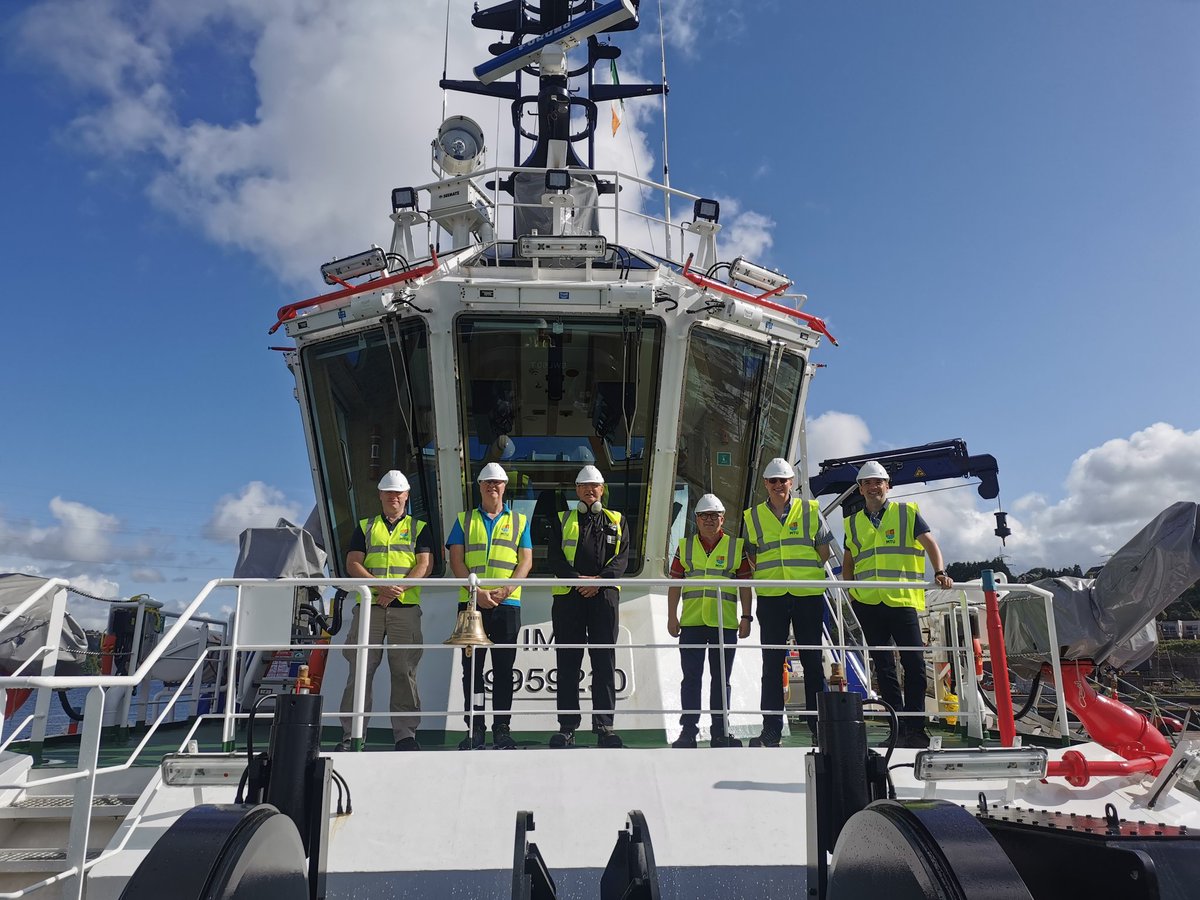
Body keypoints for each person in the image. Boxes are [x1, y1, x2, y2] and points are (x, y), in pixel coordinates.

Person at [842, 460, 953, 749]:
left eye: (878, 482)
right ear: (860, 488)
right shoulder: (852, 522)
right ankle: (898, 727)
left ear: (887, 486)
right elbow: (849, 560)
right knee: (884, 667)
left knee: (915, 664)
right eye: (867, 483)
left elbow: (930, 544)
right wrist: (852, 591)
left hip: (902, 600)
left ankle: (915, 727)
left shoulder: (907, 513)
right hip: (868, 603)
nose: (873, 487)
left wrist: (939, 571)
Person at [742, 457, 834, 747]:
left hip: (807, 594)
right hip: (771, 597)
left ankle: (819, 727)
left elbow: (823, 550)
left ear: (791, 483)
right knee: (771, 664)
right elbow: (751, 554)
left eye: (783, 480)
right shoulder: (753, 516)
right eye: (773, 481)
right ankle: (771, 729)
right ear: (765, 485)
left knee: (812, 663)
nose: (778, 485)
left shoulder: (810, 510)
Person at [339, 470, 433, 751]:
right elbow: (353, 562)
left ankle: (405, 735)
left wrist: (398, 589)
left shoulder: (420, 527)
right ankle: (351, 735)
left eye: (398, 492)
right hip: (371, 607)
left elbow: (424, 564)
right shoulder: (365, 526)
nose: (394, 497)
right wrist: (382, 588)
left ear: (406, 496)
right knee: (360, 670)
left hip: (404, 608)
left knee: (404, 671)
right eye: (389, 492)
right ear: (380, 495)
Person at [446, 462, 533, 750]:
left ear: (504, 487)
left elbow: (526, 561)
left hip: (507, 603)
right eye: (487, 482)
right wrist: (478, 592)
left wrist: (507, 588)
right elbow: (456, 561)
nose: (492, 486)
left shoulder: (520, 521)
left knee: (504, 669)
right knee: (472, 670)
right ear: (480, 486)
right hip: (473, 605)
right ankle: (476, 728)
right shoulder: (464, 520)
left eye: (497, 482)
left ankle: (502, 729)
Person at [546, 465, 630, 748]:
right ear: (576, 490)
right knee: (568, 663)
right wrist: (578, 580)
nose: (589, 490)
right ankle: (567, 727)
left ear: (602, 489)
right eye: (583, 486)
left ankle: (605, 726)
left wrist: (599, 582)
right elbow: (555, 558)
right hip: (569, 598)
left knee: (604, 662)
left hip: (604, 599)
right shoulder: (561, 519)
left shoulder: (617, 520)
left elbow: (621, 560)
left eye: (594, 486)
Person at [666, 494, 753, 748]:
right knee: (691, 679)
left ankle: (720, 732)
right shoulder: (685, 546)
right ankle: (688, 732)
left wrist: (746, 617)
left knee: (721, 679)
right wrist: (672, 616)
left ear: (722, 519)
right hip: (691, 623)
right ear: (696, 520)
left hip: (724, 624)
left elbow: (746, 586)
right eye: (704, 516)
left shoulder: (736, 547)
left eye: (714, 515)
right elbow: (675, 585)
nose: (709, 520)